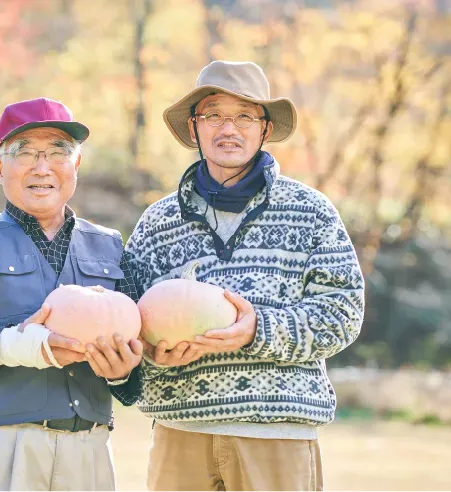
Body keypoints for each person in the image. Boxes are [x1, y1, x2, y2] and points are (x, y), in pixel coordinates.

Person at [123, 60, 365, 492]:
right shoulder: (157, 224)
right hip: (180, 433)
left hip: (276, 435)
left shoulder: (311, 211)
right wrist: (154, 354)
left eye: (244, 116)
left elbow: (342, 314)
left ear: (265, 128)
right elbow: (130, 323)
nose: (228, 129)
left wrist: (258, 330)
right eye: (213, 115)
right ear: (194, 128)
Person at [0, 97, 143, 492]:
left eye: (58, 151)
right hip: (2, 451)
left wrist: (122, 371)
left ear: (77, 163)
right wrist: (21, 346)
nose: (43, 167)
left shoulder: (111, 247)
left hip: (89, 450)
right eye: (25, 152)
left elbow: (132, 383)